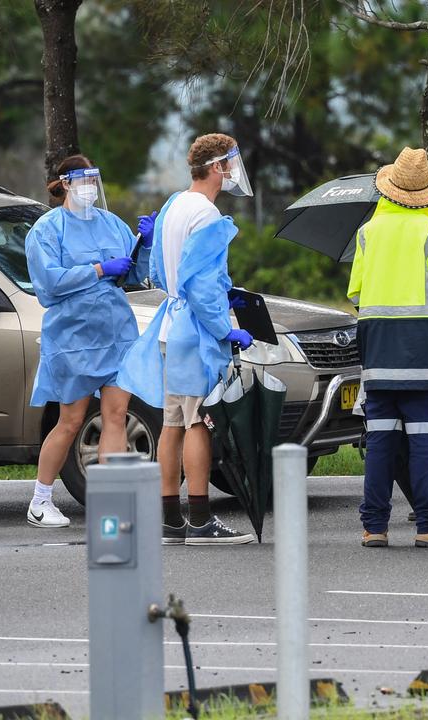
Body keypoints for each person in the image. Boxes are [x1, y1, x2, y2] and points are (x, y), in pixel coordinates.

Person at [119, 133, 257, 546]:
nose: (233, 171)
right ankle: (200, 519)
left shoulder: (175, 205)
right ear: (217, 167)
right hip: (194, 333)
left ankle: (169, 519)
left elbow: (161, 275)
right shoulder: (208, 216)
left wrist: (217, 291)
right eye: (230, 162)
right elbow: (202, 286)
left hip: (169, 328)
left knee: (172, 424)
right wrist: (224, 326)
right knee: (200, 423)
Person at [349, 146, 428, 548]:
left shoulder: (368, 232)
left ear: (388, 190)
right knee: (422, 441)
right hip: (421, 352)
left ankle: (374, 527)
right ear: (427, 194)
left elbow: (355, 293)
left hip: (377, 350)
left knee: (381, 442)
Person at [24, 154, 152, 528]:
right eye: (82, 180)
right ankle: (40, 500)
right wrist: (98, 269)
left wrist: (144, 245)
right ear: (64, 183)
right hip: (74, 336)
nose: (90, 187)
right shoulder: (47, 230)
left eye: (94, 179)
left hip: (115, 333)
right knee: (70, 420)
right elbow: (48, 285)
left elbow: (136, 275)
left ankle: (112, 504)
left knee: (115, 415)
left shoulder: (112, 224)